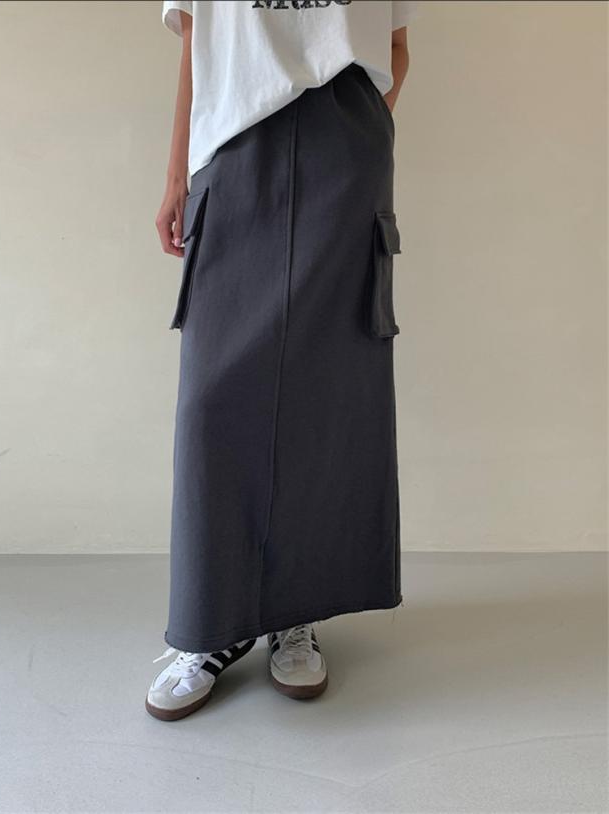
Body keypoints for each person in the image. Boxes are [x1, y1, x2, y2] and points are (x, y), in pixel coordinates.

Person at [146, 0, 419, 722]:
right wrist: (176, 173)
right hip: (232, 144)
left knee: (324, 392)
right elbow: (197, 42)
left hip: (344, 143)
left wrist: (363, 134)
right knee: (212, 399)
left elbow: (397, 45)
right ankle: (209, 626)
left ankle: (294, 612)